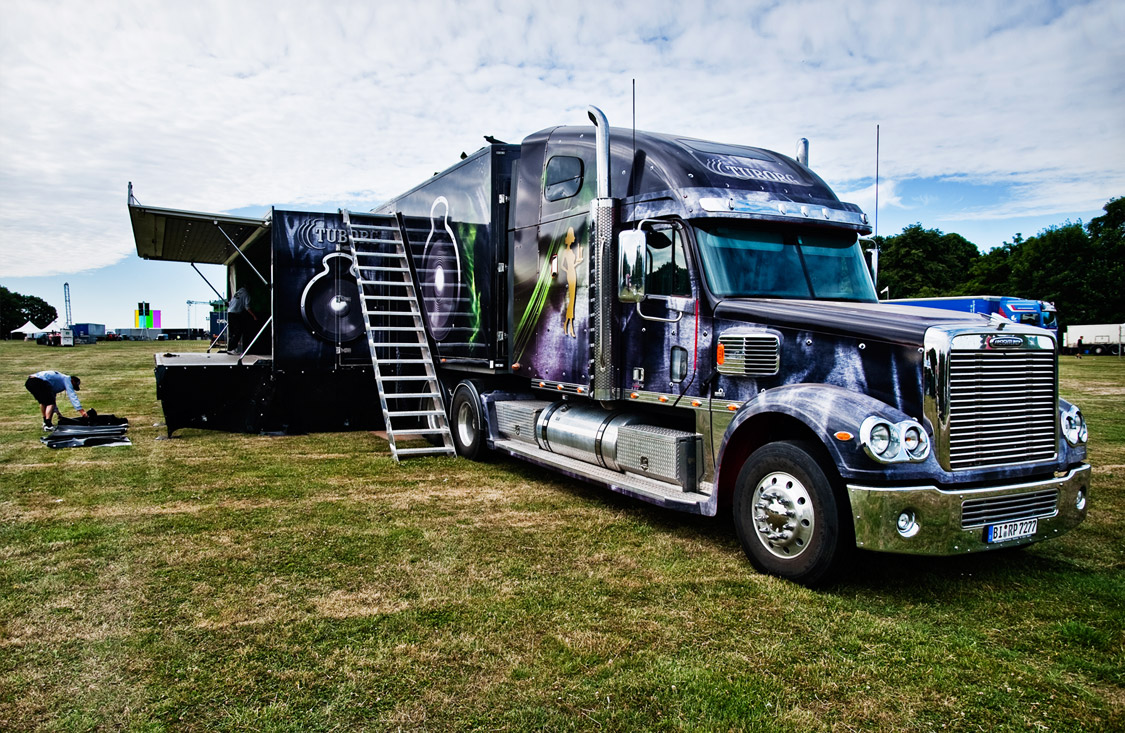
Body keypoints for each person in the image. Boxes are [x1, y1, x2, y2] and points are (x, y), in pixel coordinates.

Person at [226, 285, 257, 355]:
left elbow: (230, 303)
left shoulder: (238, 292)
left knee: (233, 332)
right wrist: (254, 316)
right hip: (235, 313)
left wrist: (228, 304)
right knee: (238, 331)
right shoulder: (246, 294)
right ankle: (231, 349)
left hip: (230, 312)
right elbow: (247, 307)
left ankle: (231, 348)